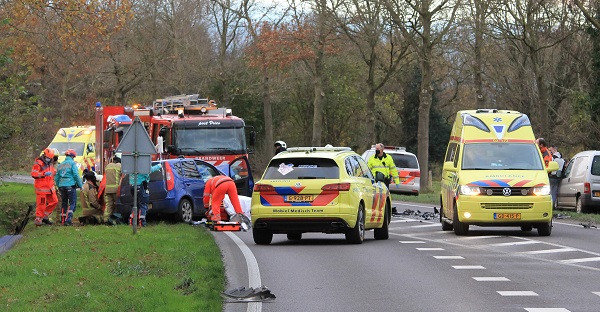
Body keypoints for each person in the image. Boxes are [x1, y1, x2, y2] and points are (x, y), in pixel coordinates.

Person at [31, 148, 59, 226]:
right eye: (48, 157)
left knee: (54, 201)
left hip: (50, 187)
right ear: (44, 155)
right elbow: (34, 174)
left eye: (50, 158)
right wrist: (43, 174)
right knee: (41, 204)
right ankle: (38, 219)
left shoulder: (50, 162)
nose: (49, 159)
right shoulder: (38, 163)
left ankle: (44, 216)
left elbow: (52, 171)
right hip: (41, 188)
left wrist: (54, 172)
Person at [55, 149, 83, 226]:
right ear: (72, 156)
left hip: (61, 186)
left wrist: (59, 185)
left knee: (64, 203)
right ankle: (68, 220)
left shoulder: (61, 164)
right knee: (72, 203)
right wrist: (80, 185)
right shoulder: (72, 163)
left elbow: (57, 177)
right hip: (70, 185)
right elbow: (76, 175)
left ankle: (63, 220)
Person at [103, 155, 122, 224]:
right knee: (118, 205)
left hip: (107, 189)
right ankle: (116, 220)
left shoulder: (107, 166)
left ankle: (105, 220)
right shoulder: (120, 166)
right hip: (116, 189)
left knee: (108, 205)